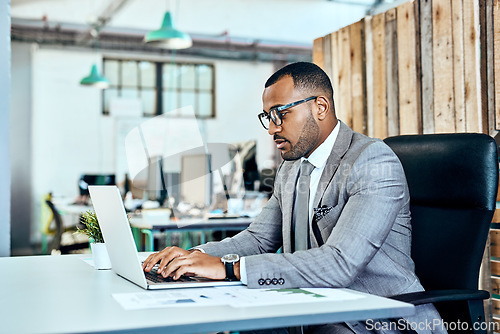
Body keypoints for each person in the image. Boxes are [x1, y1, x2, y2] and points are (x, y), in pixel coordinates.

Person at [142, 62, 445, 333]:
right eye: (267, 117)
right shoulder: (291, 169)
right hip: (310, 306)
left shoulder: (371, 162)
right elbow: (258, 239)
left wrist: (231, 268)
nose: (272, 129)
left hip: (374, 318)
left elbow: (340, 263)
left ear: (320, 107)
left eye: (281, 114)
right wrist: (193, 256)